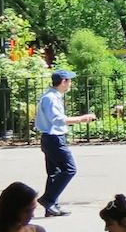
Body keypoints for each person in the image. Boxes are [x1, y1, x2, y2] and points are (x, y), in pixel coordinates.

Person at [33, 69, 97, 216]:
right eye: (69, 80)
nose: (71, 83)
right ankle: (48, 199)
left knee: (54, 173)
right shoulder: (51, 98)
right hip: (54, 138)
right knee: (69, 169)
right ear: (63, 82)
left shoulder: (53, 96)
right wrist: (82, 118)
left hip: (51, 137)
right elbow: (57, 119)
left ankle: (51, 207)